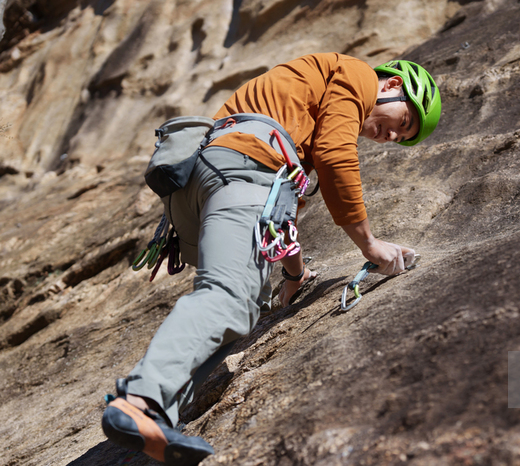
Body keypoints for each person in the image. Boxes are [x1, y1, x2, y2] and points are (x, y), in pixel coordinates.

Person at [101, 53, 441, 465]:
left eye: (401, 140)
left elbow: (282, 209)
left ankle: (158, 410)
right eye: (404, 124)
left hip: (202, 185)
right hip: (243, 171)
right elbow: (336, 155)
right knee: (227, 296)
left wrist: (293, 273)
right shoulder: (356, 75)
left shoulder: (302, 109)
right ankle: (140, 399)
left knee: (241, 309)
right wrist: (369, 244)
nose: (392, 139)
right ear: (390, 86)